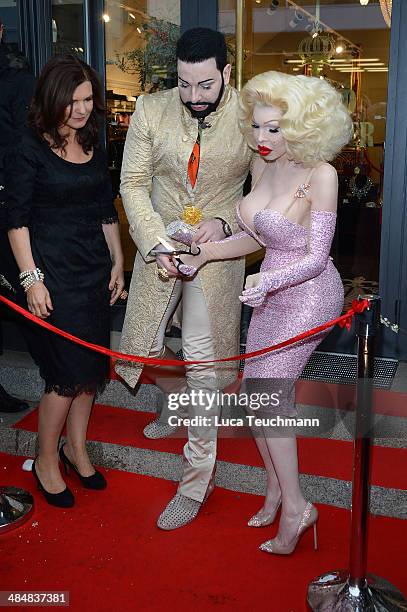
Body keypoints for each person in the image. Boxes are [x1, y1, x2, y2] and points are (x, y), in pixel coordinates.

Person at [176, 70, 353, 554]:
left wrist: (267, 281)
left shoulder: (322, 174)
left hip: (310, 293)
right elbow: (258, 237)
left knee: (271, 400)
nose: (262, 139)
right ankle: (276, 489)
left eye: (274, 129)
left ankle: (298, 508)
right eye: (256, 127)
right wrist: (204, 251)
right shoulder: (263, 166)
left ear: (303, 126)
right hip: (269, 290)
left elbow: (316, 258)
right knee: (260, 400)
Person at [116, 27, 252, 530]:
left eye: (205, 86)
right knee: (152, 342)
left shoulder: (250, 115)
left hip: (216, 258)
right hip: (161, 247)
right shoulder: (152, 110)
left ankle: (196, 481)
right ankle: (176, 409)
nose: (193, 97)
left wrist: (230, 225)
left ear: (226, 74)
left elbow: (268, 195)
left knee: (201, 359)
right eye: (184, 85)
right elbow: (132, 182)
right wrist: (155, 243)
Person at [4, 53, 124, 508]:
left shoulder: (94, 140)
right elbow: (15, 220)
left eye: (89, 98)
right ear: (52, 99)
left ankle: (76, 450)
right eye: (72, 100)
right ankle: (45, 459)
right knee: (64, 376)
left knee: (90, 373)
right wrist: (32, 280)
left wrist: (117, 262)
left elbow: (102, 208)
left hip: (92, 269)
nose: (81, 108)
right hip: (51, 274)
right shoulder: (28, 146)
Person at [0, 16, 36, 412]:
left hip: (7, 204)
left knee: (20, 284)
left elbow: (23, 148)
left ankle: (52, 370)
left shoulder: (17, 78)